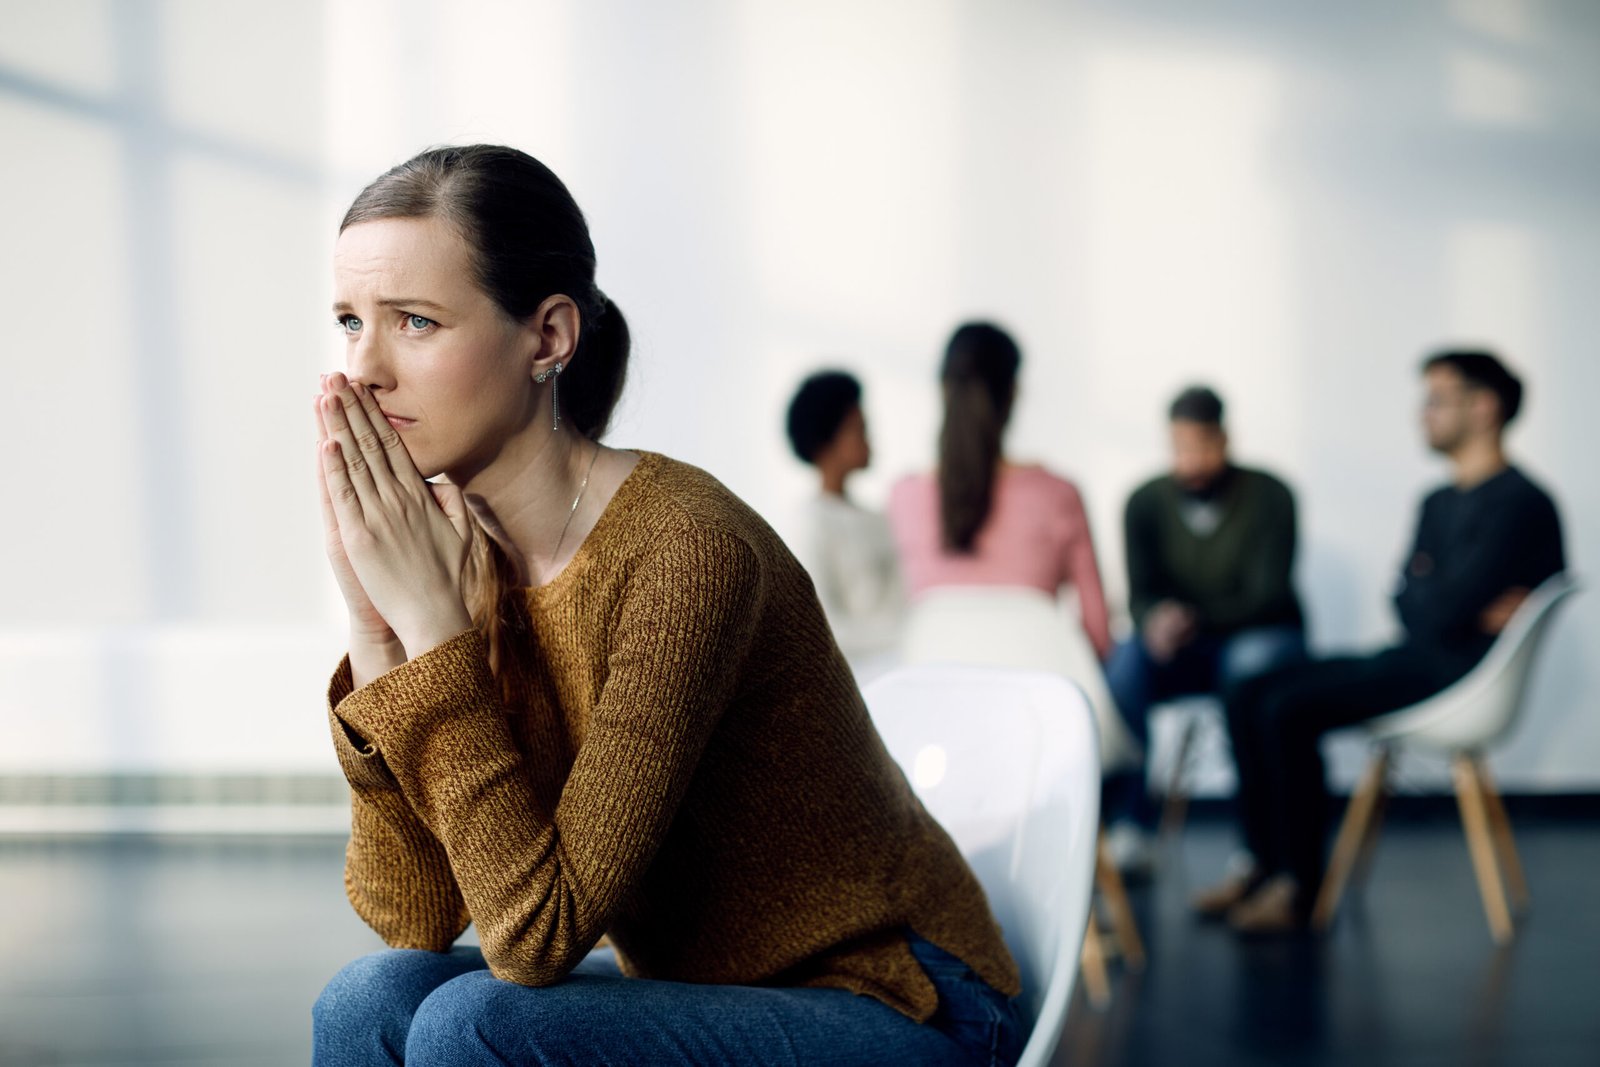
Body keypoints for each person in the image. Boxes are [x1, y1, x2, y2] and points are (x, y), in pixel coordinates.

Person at [309, 145, 1023, 1066]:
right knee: (366, 999)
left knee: (470, 1023)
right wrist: (377, 628)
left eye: (414, 321)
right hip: (714, 986)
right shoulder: (462, 555)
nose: (363, 369)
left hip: (902, 997)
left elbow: (535, 939)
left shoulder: (687, 551)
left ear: (550, 337)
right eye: (348, 322)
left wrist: (435, 635)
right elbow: (416, 913)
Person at [1195, 350, 1566, 934]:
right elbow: (1413, 603)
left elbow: (1435, 608)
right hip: (1419, 655)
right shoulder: (1437, 501)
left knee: (1284, 705)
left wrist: (1433, 591)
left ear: (1485, 407)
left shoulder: (1522, 503)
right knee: (1247, 688)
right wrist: (1443, 596)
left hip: (1461, 676)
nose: (1423, 413)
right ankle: (1261, 866)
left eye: (1437, 399)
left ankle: (1297, 886)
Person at [1101, 386, 1307, 874]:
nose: (1189, 461)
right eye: (1179, 448)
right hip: (1184, 649)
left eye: (1200, 447)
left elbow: (1267, 596)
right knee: (1125, 663)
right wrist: (1155, 620)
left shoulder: (1271, 496)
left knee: (1249, 666)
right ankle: (1130, 825)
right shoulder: (1144, 502)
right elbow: (1140, 594)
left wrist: (1191, 618)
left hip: (1260, 637)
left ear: (1225, 439)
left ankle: (1259, 843)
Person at [887, 322, 1112, 663]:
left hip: (929, 704)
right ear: (1014, 392)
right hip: (1041, 704)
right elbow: (1098, 633)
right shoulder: (1059, 495)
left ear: (943, 390)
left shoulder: (903, 497)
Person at [783, 370, 904, 676]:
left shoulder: (882, 518)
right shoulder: (812, 522)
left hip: (904, 665)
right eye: (858, 429)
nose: (868, 438)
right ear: (827, 440)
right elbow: (824, 626)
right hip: (862, 680)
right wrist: (908, 637)